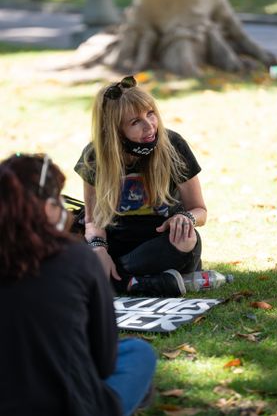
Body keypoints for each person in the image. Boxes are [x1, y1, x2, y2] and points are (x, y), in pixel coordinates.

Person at [0, 153, 156, 416]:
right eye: (60, 199)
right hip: (72, 406)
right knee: (138, 353)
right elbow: (104, 361)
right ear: (48, 209)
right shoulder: (77, 259)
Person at [74, 76, 207, 297]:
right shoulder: (94, 156)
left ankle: (113, 281)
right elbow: (93, 219)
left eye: (150, 114)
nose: (149, 126)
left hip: (163, 245)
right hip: (117, 243)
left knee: (188, 242)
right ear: (114, 130)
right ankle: (141, 283)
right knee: (75, 252)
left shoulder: (173, 145)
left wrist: (186, 219)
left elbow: (199, 210)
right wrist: (99, 248)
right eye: (135, 122)